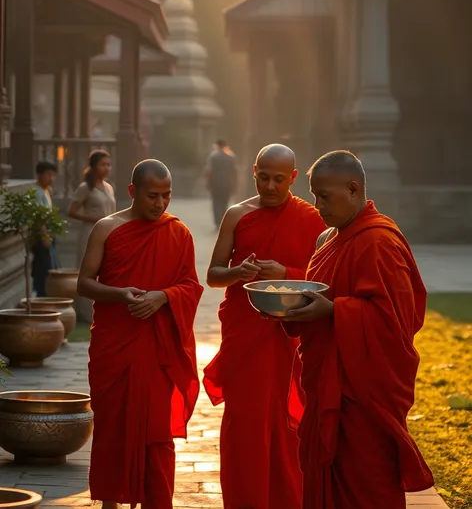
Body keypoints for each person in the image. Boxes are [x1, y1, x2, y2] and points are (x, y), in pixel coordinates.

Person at [282, 150, 434, 509]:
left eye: (324, 196)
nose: (316, 205)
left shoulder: (379, 241)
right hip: (327, 381)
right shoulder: (330, 240)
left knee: (368, 484)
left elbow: (395, 322)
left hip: (362, 395)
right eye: (313, 194)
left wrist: (334, 310)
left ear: (353, 189)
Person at [203, 143, 326, 509]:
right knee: (246, 425)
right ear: (253, 172)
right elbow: (213, 275)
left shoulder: (311, 218)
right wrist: (239, 272)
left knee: (289, 428)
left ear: (292, 178)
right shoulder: (237, 215)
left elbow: (325, 279)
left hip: (291, 337)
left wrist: (285, 273)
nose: (270, 186)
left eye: (278, 180)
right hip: (247, 334)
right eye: (263, 177)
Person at [77, 159, 203, 509]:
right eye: (152, 196)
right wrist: (120, 293)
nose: (160, 204)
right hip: (115, 346)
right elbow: (84, 283)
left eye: (166, 196)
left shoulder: (179, 233)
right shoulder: (107, 228)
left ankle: (157, 502)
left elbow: (191, 285)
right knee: (112, 428)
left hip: (156, 351)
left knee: (157, 434)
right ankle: (110, 502)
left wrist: (163, 297)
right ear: (132, 192)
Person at [68, 150, 116, 322]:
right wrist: (94, 218)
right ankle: (86, 314)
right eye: (103, 164)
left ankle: (103, 311)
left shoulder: (109, 187)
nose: (107, 168)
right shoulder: (85, 188)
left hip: (109, 234)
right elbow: (71, 211)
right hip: (90, 232)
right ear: (94, 166)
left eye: (109, 165)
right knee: (88, 273)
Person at [31, 160, 60, 297]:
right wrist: (45, 237)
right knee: (43, 269)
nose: (52, 178)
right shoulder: (37, 192)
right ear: (39, 175)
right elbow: (39, 218)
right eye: (49, 175)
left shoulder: (47, 191)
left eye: (53, 175)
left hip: (49, 235)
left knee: (50, 267)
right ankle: (41, 294)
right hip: (42, 238)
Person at [204, 139, 238, 230]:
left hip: (215, 184)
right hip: (227, 184)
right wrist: (235, 184)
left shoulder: (214, 156)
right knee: (225, 203)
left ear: (217, 146)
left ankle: (217, 223)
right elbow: (235, 172)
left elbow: (209, 171)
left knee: (216, 203)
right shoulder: (231, 156)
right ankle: (224, 222)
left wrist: (207, 183)